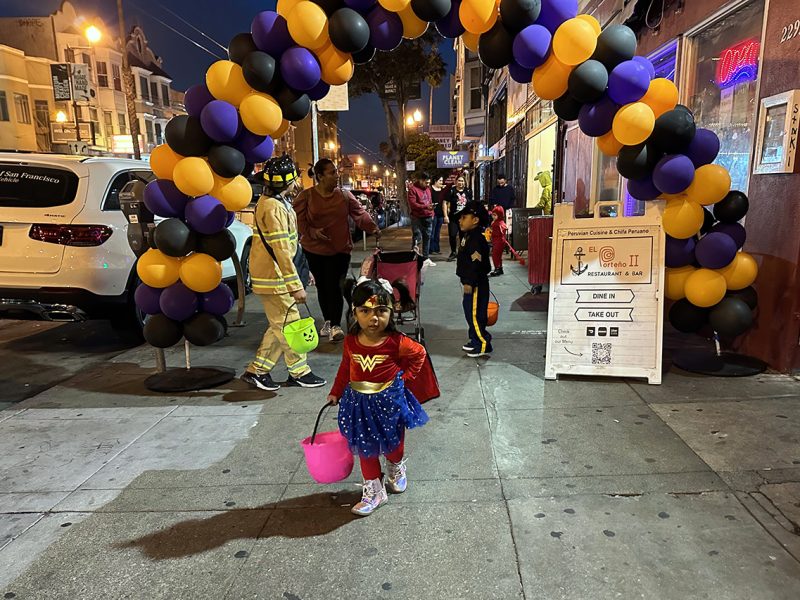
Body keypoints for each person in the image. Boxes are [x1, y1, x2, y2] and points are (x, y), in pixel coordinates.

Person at [327, 279, 430, 516]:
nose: (373, 318)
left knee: (394, 445)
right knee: (366, 447)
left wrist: (405, 378)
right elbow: (345, 367)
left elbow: (419, 353)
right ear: (354, 312)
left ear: (391, 312)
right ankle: (374, 490)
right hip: (358, 403)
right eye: (365, 311)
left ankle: (396, 467)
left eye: (381, 311)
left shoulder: (397, 342)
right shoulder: (351, 341)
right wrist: (336, 391)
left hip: (389, 403)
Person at [242, 155, 327, 391]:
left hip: (275, 276)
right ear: (288, 182)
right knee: (289, 326)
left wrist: (302, 271)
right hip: (275, 278)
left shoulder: (276, 203)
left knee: (279, 325)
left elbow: (290, 246)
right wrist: (295, 285)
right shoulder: (274, 207)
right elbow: (281, 250)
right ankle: (299, 371)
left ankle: (257, 370)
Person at [294, 159, 379, 343]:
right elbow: (298, 221)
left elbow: (359, 214)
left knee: (336, 286)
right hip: (314, 250)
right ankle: (328, 321)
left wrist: (373, 227)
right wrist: (312, 232)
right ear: (320, 176)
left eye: (336, 171)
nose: (336, 175)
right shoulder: (306, 197)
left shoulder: (344, 195)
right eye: (332, 172)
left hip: (340, 250)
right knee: (323, 287)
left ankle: (335, 325)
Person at [456, 201, 493, 358]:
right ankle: (475, 338)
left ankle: (482, 343)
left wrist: (469, 282)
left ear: (475, 220)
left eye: (464, 217)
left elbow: (475, 264)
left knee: (475, 314)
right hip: (471, 282)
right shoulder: (468, 235)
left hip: (476, 284)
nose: (460, 220)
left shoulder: (476, 238)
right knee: (470, 313)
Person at [407, 172, 435, 266]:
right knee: (417, 237)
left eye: (429, 183)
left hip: (428, 216)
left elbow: (430, 201)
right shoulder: (413, 190)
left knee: (427, 237)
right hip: (417, 217)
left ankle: (426, 258)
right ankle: (414, 258)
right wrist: (426, 207)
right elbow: (413, 204)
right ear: (421, 180)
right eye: (426, 182)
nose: (428, 185)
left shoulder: (428, 189)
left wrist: (432, 212)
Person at [442, 175, 472, 261]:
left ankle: (462, 252)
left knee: (464, 236)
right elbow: (444, 203)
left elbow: (471, 203)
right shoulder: (451, 191)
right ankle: (453, 252)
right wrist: (445, 216)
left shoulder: (468, 191)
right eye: (459, 181)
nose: (461, 183)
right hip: (453, 218)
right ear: (456, 182)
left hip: (465, 219)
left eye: (462, 181)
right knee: (452, 235)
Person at [429, 175, 447, 256]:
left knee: (437, 232)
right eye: (440, 180)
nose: (441, 182)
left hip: (440, 214)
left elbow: (444, 202)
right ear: (435, 181)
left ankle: (436, 248)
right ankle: (431, 249)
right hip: (433, 213)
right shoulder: (430, 189)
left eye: (442, 180)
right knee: (432, 232)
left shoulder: (442, 190)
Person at [489, 205, 508, 277]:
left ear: (499, 215)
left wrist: (491, 233)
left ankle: (497, 268)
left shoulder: (497, 223)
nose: (493, 216)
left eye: (495, 215)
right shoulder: (500, 222)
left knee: (495, 255)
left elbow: (496, 233)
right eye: (492, 215)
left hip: (498, 242)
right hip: (500, 242)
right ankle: (500, 268)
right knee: (498, 256)